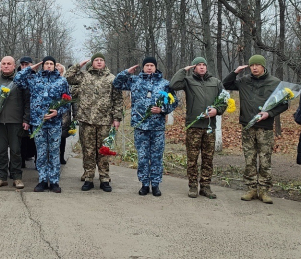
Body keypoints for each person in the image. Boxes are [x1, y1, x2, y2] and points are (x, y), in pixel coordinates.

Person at [223, 55, 289, 204]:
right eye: (252, 65)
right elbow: (226, 84)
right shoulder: (244, 81)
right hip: (248, 126)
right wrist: (235, 72)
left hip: (265, 128)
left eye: (258, 65)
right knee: (249, 160)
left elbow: (284, 104)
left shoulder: (274, 83)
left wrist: (269, 113)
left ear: (263, 66)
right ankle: (251, 189)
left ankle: (264, 190)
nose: (254, 68)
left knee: (265, 161)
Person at [113, 56, 178, 197]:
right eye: (147, 65)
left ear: (156, 67)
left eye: (152, 65)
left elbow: (174, 101)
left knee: (156, 157)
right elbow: (116, 84)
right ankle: (144, 184)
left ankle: (155, 185)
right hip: (141, 126)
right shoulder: (135, 81)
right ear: (143, 67)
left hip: (157, 127)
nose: (149, 67)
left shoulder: (164, 84)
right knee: (142, 157)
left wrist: (162, 110)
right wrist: (126, 72)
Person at [170, 57, 227, 199]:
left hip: (209, 127)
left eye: (204, 65)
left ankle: (206, 187)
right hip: (193, 126)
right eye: (198, 65)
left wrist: (217, 110)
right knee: (192, 159)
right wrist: (184, 70)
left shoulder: (216, 82)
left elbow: (224, 100)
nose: (202, 67)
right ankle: (193, 186)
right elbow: (173, 84)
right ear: (194, 68)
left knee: (208, 159)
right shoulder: (188, 81)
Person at [66, 53, 123, 192]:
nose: (98, 62)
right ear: (92, 63)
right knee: (88, 151)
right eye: (96, 60)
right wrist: (78, 66)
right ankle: (89, 177)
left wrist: (117, 118)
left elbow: (117, 99)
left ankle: (104, 178)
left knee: (103, 151)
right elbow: (68, 77)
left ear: (105, 63)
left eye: (101, 60)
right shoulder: (84, 76)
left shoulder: (111, 78)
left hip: (104, 121)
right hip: (87, 120)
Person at [15, 56, 70, 193]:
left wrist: (58, 112)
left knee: (54, 153)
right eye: (46, 64)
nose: (49, 66)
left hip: (54, 123)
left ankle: (55, 181)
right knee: (41, 153)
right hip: (38, 122)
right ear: (42, 65)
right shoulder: (34, 79)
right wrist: (30, 68)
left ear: (55, 66)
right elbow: (17, 80)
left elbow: (67, 101)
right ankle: (43, 180)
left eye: (51, 64)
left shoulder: (61, 81)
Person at [0, 56, 30, 189]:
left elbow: (27, 102)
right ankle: (1, 177)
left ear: (14, 66)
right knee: (0, 151)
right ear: (0, 66)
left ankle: (17, 177)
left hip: (15, 121)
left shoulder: (20, 81)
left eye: (9, 64)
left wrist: (26, 119)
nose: (6, 66)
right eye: (3, 64)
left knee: (16, 151)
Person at [18, 56, 37, 168]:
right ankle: (22, 161)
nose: (24, 67)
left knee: (34, 138)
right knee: (22, 139)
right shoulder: (19, 77)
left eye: (27, 65)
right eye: (22, 65)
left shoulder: (36, 77)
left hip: (35, 111)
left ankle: (36, 161)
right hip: (21, 111)